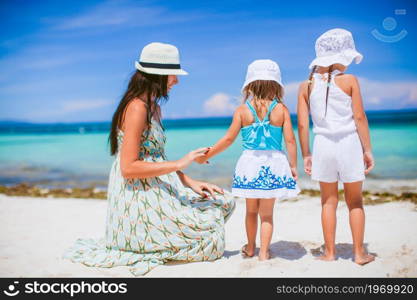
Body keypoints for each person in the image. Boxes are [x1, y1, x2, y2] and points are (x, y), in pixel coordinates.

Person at [63, 42, 235, 276]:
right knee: (212, 233)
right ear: (160, 76)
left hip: (155, 186)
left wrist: (188, 181)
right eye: (174, 75)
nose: (177, 81)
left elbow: (154, 158)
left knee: (224, 201)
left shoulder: (153, 107)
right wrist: (180, 162)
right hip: (138, 196)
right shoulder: (136, 108)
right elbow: (128, 167)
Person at [196, 59, 300, 260]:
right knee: (267, 214)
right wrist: (293, 166)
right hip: (274, 163)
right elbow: (290, 140)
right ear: (277, 84)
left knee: (251, 211)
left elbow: (228, 139)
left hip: (250, 164)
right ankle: (264, 253)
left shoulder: (243, 110)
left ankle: (251, 248)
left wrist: (206, 155)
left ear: (250, 85)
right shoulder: (281, 110)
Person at [297, 28, 375, 265]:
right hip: (349, 143)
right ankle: (359, 254)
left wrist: (306, 154)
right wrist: (368, 149)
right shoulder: (350, 80)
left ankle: (330, 253)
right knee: (355, 201)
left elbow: (302, 124)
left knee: (328, 201)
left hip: (322, 145)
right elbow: (359, 117)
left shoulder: (305, 86)